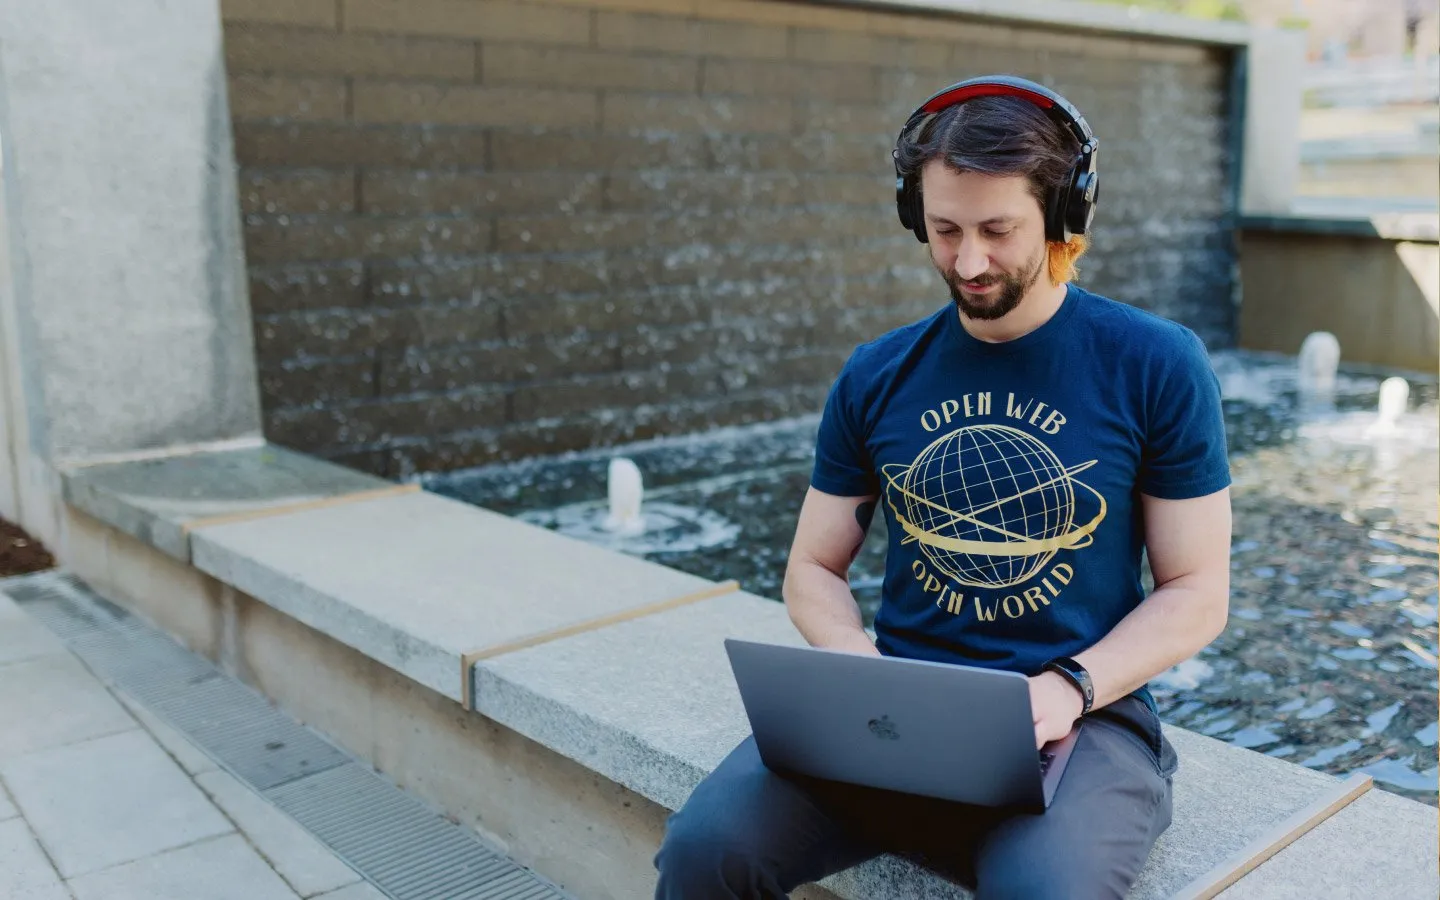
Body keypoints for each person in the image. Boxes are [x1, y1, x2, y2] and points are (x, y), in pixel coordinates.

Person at [653, 75, 1233, 899]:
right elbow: (812, 569)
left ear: (1065, 216)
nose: (967, 261)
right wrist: (854, 662)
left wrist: (1071, 686)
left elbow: (1197, 592)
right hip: (895, 705)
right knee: (705, 853)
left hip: (1087, 715)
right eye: (944, 229)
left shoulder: (1156, 363)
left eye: (998, 229)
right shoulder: (876, 372)